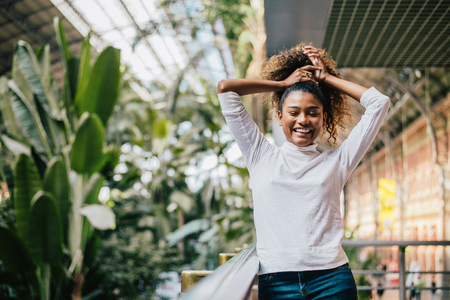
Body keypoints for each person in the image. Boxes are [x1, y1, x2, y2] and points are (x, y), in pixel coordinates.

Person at [217, 44, 390, 299]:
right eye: (293, 112)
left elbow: (379, 102)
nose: (303, 120)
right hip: (277, 283)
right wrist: (282, 84)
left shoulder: (338, 161)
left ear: (323, 118)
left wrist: (327, 79)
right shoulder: (259, 154)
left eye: (313, 113)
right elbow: (225, 88)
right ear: (279, 116)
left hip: (333, 280)